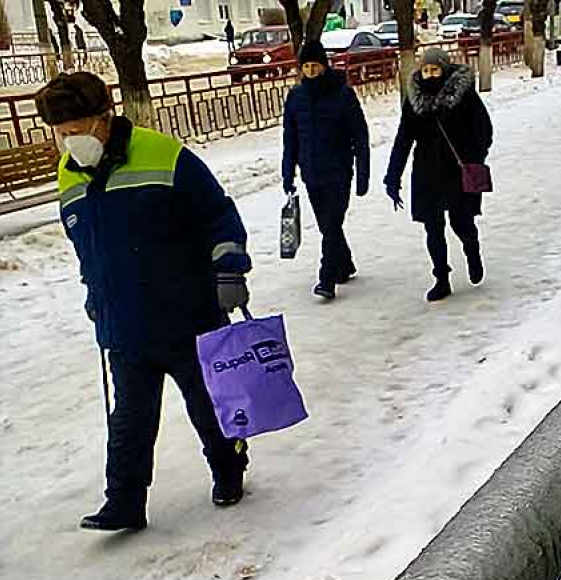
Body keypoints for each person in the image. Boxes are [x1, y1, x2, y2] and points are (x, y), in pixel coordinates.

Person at [34, 72, 252, 532]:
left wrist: (229, 268)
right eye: (61, 132)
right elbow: (87, 245)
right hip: (125, 325)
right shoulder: (69, 174)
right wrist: (95, 293)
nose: (70, 140)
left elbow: (218, 214)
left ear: (104, 119)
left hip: (188, 314)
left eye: (78, 128)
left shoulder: (164, 155)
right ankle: (125, 503)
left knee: (208, 407)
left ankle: (229, 470)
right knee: (130, 420)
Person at [384, 47, 492, 302]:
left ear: (444, 69)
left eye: (435, 70)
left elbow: (484, 129)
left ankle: (472, 251)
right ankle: (441, 278)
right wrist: (393, 175)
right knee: (433, 228)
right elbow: (404, 138)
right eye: (426, 70)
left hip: (456, 170)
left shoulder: (463, 95)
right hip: (426, 172)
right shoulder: (415, 99)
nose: (430, 75)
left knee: (461, 222)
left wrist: (474, 157)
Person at [282, 39, 370, 300]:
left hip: (339, 171)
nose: (311, 71)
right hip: (312, 173)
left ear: (324, 65)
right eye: (306, 66)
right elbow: (290, 138)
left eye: (315, 65)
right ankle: (344, 264)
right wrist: (288, 172)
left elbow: (360, 136)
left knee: (331, 224)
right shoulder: (296, 97)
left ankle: (327, 278)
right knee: (327, 226)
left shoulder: (343, 94)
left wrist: (362, 175)